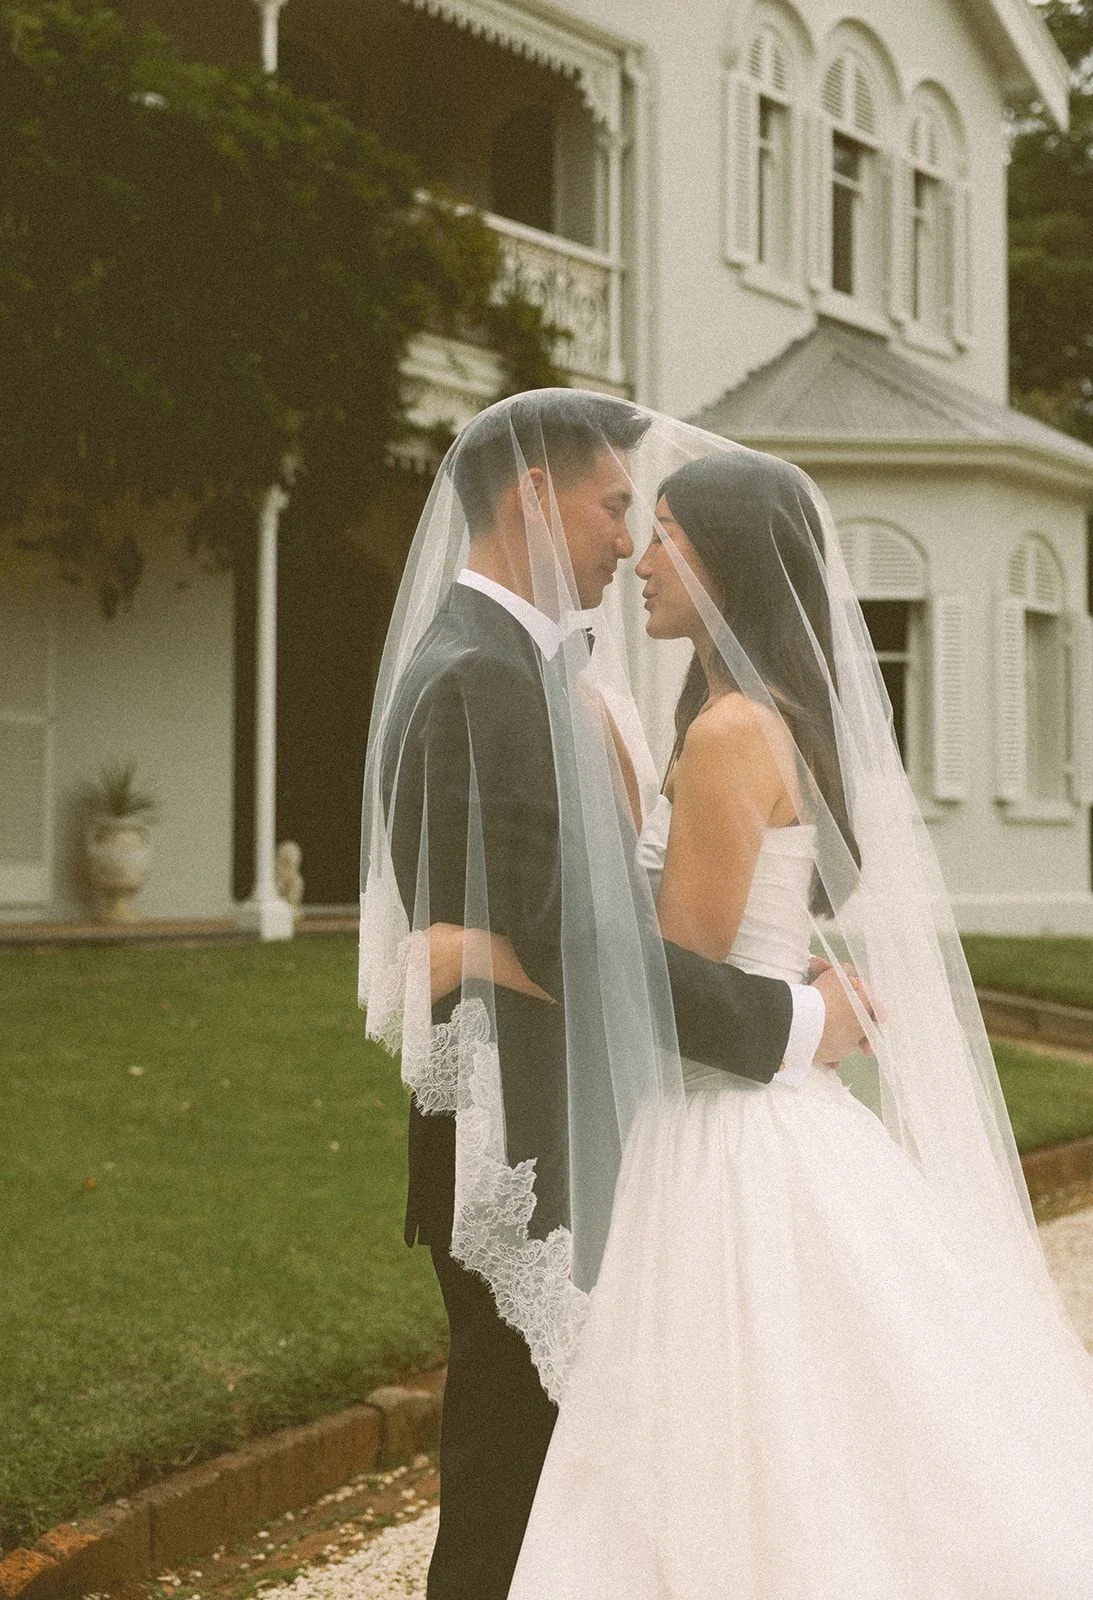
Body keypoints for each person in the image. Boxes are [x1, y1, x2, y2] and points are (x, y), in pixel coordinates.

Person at [506, 445, 1093, 1598]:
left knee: (739, 1412)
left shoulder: (729, 733)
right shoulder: (767, 718)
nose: (641, 559)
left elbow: (677, 970)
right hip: (780, 1098)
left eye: (665, 532)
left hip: (727, 1126)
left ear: (725, 562)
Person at [357, 392, 866, 1600]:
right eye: (613, 503)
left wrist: (477, 951)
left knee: (575, 1487)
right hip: (518, 1150)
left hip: (577, 1134)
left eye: (651, 519)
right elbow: (575, 943)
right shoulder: (480, 677)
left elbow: (557, 927)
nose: (628, 538)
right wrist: (792, 1020)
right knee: (513, 1489)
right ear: (534, 495)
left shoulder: (526, 675)